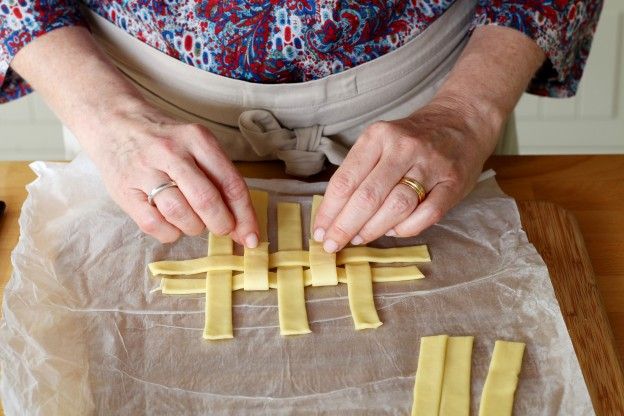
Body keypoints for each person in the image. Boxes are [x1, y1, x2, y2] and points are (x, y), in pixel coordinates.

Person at [0, 0, 602, 254]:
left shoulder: (457, 114)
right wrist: (109, 121)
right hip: (127, 106)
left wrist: (467, 113)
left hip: (437, 99)